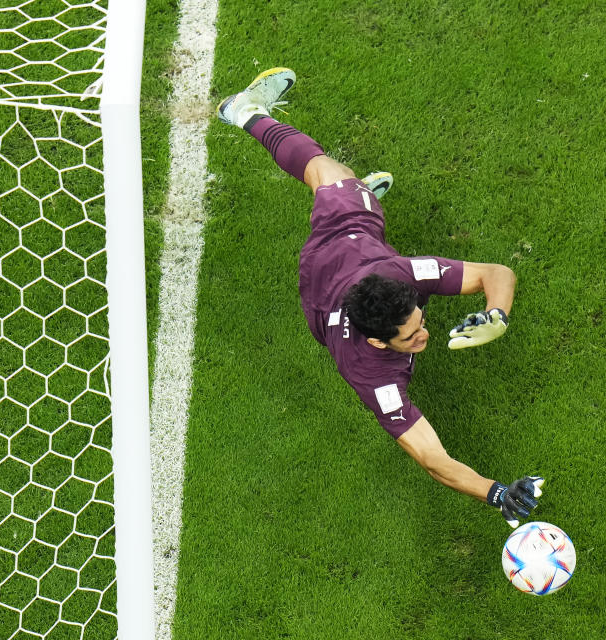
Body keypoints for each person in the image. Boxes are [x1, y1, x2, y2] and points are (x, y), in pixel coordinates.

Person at [216, 67, 543, 527]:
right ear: (376, 342)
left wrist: (496, 314)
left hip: (348, 247)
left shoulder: (401, 274)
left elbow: (497, 273)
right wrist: (495, 493)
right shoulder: (372, 375)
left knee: (334, 179)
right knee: (333, 175)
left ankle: (342, 183)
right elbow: (432, 457)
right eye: (410, 338)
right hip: (324, 274)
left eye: (419, 322)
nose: (424, 335)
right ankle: (244, 109)